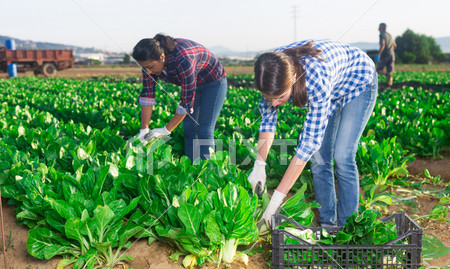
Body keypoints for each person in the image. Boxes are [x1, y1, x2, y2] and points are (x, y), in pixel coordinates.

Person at [248, 40, 378, 229]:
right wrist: (259, 165)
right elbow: (268, 121)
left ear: (292, 81)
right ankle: (328, 225)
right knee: (319, 159)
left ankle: (348, 227)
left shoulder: (316, 78)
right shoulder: (268, 72)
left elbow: (308, 144)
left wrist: (276, 200)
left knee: (343, 155)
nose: (274, 103)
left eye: (280, 97)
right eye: (270, 98)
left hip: (358, 82)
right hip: (331, 89)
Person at [132, 34, 227, 162]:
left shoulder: (184, 60)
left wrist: (165, 131)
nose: (148, 71)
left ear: (162, 57)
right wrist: (144, 130)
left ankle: (208, 174)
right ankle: (191, 170)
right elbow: (147, 96)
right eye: (144, 68)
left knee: (204, 128)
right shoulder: (149, 65)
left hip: (214, 82)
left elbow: (186, 105)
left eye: (150, 67)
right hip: (193, 83)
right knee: (189, 128)